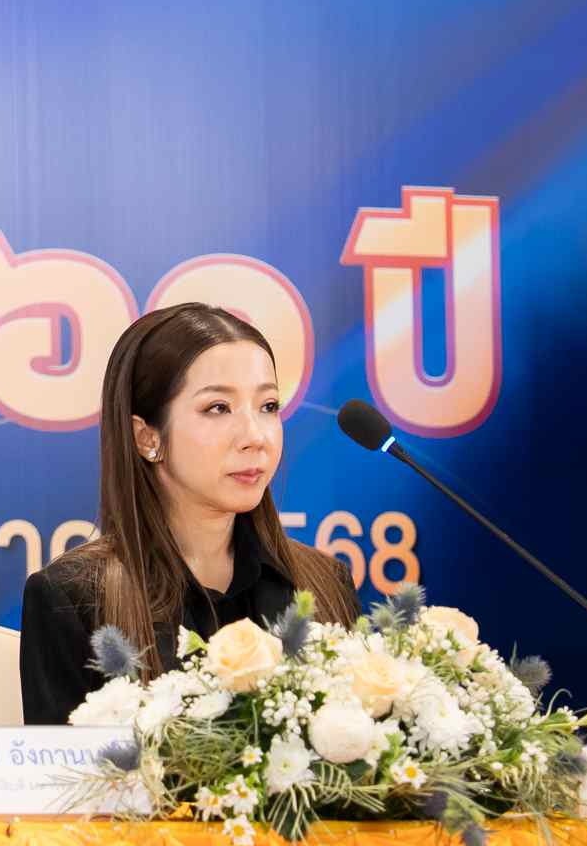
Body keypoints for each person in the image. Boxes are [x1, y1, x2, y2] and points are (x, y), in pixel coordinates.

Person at [19, 302, 360, 723]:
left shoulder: (324, 583)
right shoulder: (73, 598)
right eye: (218, 408)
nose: (255, 436)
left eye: (268, 406)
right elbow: (68, 765)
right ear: (147, 437)